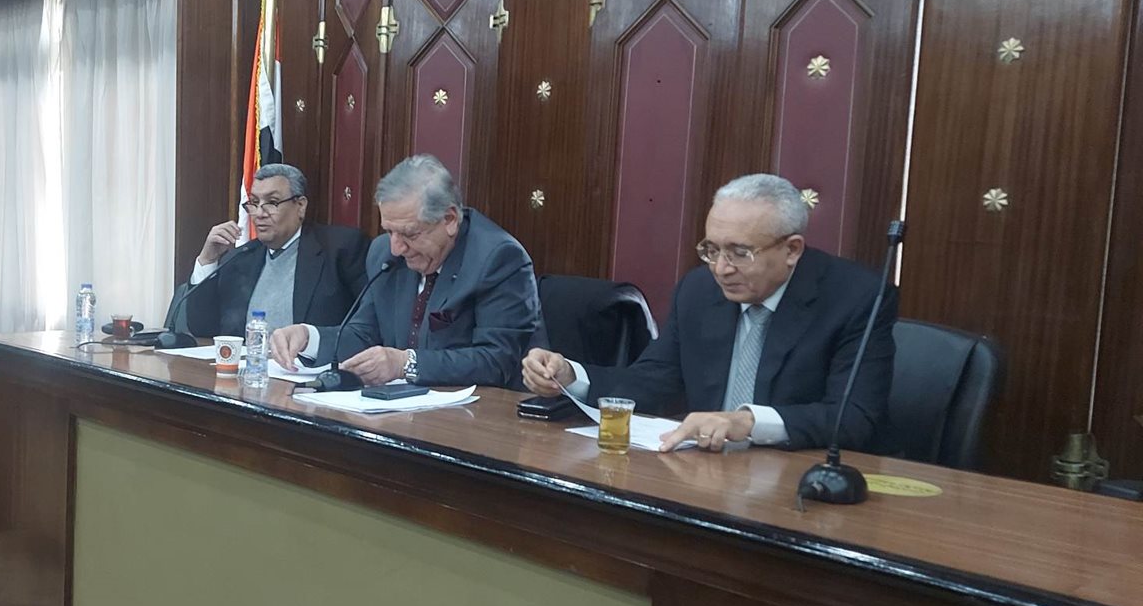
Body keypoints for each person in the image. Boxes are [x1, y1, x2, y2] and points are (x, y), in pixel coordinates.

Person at [521, 173, 895, 453]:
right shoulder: (699, 291)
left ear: (792, 250)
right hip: (707, 475)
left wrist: (748, 422)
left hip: (797, 482)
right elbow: (653, 381)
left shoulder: (856, 298)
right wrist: (572, 376)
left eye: (739, 253)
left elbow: (853, 418)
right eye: (712, 250)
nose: (721, 268)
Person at [270, 154, 541, 388]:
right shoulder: (384, 254)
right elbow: (363, 334)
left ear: (449, 219)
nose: (396, 248)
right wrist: (309, 338)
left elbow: (497, 361)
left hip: (477, 417)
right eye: (389, 231)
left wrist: (405, 364)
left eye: (409, 234)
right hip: (398, 413)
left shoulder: (497, 258)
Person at [168, 163, 368, 336]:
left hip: (309, 367)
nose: (259, 213)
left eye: (272, 202)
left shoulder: (340, 249)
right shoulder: (241, 258)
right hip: (249, 366)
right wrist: (208, 259)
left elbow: (365, 328)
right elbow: (202, 328)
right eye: (254, 203)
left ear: (300, 206)